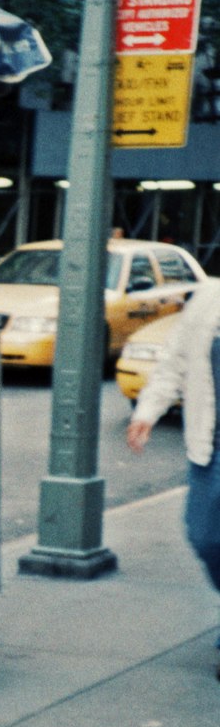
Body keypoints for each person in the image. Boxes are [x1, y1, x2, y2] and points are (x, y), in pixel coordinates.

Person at [126, 276, 220, 680]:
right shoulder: (208, 298)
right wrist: (148, 410)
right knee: (203, 535)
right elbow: (176, 360)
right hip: (210, 446)